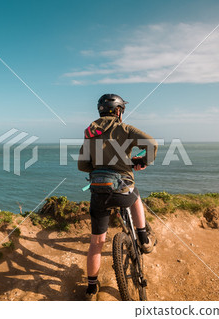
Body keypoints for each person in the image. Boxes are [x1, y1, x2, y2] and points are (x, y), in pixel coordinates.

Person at [77, 94, 158, 301]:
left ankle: (91, 288)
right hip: (123, 192)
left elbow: (82, 165)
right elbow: (152, 144)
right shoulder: (126, 129)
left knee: (96, 243)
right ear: (119, 111)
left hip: (99, 193)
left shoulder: (90, 131)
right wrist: (142, 161)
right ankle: (143, 238)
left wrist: (98, 165)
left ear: (101, 111)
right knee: (135, 195)